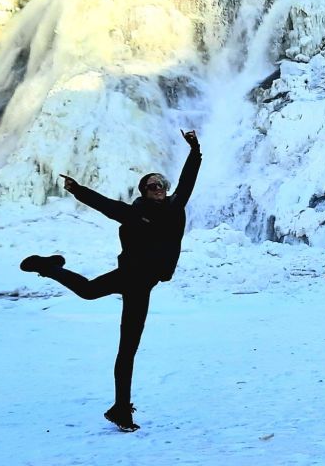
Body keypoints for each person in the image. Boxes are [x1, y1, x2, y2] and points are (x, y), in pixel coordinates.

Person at [20, 129, 202, 432]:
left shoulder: (175, 206)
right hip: (131, 277)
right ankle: (50, 267)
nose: (159, 187)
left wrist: (194, 149)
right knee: (96, 303)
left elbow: (188, 180)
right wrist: (77, 190)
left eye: (162, 184)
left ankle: (121, 408)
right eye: (152, 185)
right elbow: (104, 204)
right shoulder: (133, 213)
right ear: (143, 191)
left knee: (118, 336)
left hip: (144, 283)